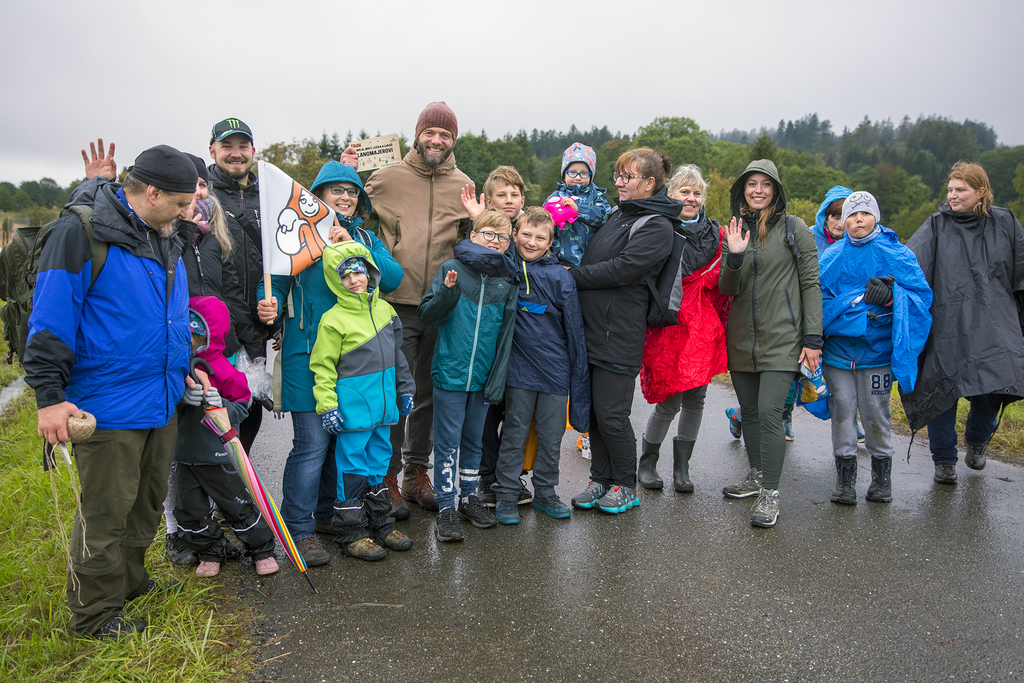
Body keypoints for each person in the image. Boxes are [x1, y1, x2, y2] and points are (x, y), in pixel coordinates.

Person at [24, 145, 198, 639]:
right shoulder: (78, 234)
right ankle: (94, 615)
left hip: (160, 399)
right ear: (151, 191)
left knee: (144, 504)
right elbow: (51, 320)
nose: (189, 212)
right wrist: (48, 397)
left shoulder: (165, 232)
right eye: (181, 203)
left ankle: (129, 581)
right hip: (104, 406)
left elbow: (166, 313)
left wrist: (184, 364)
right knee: (105, 513)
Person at [257, 160, 403, 566]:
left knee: (347, 444)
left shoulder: (363, 237)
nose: (344, 197)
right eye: (335, 190)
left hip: (358, 361)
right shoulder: (299, 235)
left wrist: (351, 244)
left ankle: (329, 518)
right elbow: (275, 279)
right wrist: (265, 302)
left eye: (352, 191)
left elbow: (391, 277)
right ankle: (298, 529)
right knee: (312, 444)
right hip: (309, 354)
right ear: (317, 196)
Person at [348, 102, 473, 515]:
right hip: (394, 304)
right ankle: (385, 475)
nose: (437, 141)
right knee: (395, 394)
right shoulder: (384, 179)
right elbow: (342, 209)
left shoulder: (464, 185)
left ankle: (416, 472)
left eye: (445, 135)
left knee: (430, 394)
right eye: (430, 133)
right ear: (418, 134)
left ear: (453, 140)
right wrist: (347, 169)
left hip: (443, 306)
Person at [569, 148, 678, 515]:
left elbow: (622, 269)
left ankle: (625, 485)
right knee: (595, 413)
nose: (618, 182)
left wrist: (573, 277)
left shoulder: (657, 226)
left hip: (620, 332)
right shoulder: (618, 214)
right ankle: (600, 478)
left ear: (649, 182)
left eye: (626, 177)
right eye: (617, 175)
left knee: (612, 412)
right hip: (593, 328)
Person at [901, 161, 1024, 484]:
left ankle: (978, 439)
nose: (952, 196)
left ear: (980, 192)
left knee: (996, 384)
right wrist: (885, 283)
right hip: (947, 322)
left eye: (961, 190)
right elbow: (909, 264)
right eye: (950, 190)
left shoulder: (1006, 222)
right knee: (942, 389)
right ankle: (944, 460)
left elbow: (1020, 275)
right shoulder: (937, 225)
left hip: (995, 322)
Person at [719, 159, 822, 528]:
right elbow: (727, 288)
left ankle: (770, 494)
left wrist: (813, 338)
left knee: (768, 413)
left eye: (766, 184)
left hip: (784, 339)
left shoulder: (796, 229)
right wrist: (733, 255)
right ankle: (756, 475)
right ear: (743, 190)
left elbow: (811, 283)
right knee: (748, 414)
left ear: (776, 190)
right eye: (751, 184)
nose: (758, 190)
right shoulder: (735, 229)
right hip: (742, 338)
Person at [819, 191, 932, 504]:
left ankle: (882, 482)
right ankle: (844, 483)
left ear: (875, 217)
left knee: (876, 416)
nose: (858, 220)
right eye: (852, 215)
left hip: (877, 356)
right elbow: (817, 300)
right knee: (841, 414)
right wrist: (855, 307)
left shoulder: (897, 254)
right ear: (844, 221)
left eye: (865, 214)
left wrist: (894, 296)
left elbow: (921, 298)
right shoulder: (831, 256)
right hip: (838, 356)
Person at [417, 209, 518, 542]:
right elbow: (427, 314)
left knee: (474, 440)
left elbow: (505, 337)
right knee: (447, 442)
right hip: (450, 373)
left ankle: (468, 497)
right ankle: (446, 505)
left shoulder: (507, 281)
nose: (494, 241)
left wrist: (497, 377)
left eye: (502, 237)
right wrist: (447, 293)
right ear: (473, 235)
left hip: (484, 377)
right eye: (488, 234)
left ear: (508, 243)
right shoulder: (452, 269)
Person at [311, 242, 415, 561]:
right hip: (353, 414)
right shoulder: (333, 319)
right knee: (352, 470)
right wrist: (327, 405)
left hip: (383, 412)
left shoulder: (385, 311)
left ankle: (380, 524)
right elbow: (322, 366)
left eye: (360, 271)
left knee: (379, 467)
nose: (355, 279)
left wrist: (406, 389)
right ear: (335, 280)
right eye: (346, 275)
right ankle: (351, 533)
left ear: (371, 273)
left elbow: (398, 355)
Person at [492, 207, 590, 524]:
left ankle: (546, 492)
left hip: (555, 370)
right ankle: (506, 493)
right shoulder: (505, 269)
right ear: (515, 234)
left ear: (550, 242)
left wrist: (577, 375)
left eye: (540, 237)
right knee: (514, 434)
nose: (532, 242)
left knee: (551, 437)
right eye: (526, 235)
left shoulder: (562, 276)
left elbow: (574, 328)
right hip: (519, 370)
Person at [638, 164, 729, 493]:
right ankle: (647, 463)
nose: (691, 198)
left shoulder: (716, 236)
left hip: (701, 328)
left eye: (697, 193)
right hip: (669, 325)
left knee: (696, 399)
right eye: (684, 192)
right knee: (669, 401)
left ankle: (681, 468)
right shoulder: (658, 227)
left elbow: (723, 285)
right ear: (670, 193)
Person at [174, 296, 279, 577]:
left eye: (199, 334)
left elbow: (243, 404)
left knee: (236, 504)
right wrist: (181, 398)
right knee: (189, 511)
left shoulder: (222, 369)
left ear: (213, 332)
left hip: (217, 453)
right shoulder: (175, 367)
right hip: (183, 454)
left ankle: (261, 549)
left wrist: (220, 404)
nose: (193, 339)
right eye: (189, 332)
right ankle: (210, 551)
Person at [459, 166, 532, 507]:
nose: (508, 201)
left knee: (516, 411)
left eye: (514, 194)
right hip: (488, 334)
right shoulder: (479, 232)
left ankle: (510, 475)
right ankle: (486, 477)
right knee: (487, 409)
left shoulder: (532, 228)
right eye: (500, 195)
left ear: (523, 198)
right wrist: (480, 221)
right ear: (488, 200)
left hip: (526, 336)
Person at [208, 118, 267, 453]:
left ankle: (237, 491)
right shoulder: (203, 194)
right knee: (216, 412)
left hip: (259, 326)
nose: (235, 153)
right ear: (212, 149)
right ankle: (210, 497)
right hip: (218, 329)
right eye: (227, 146)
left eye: (242, 146)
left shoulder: (268, 197)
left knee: (251, 406)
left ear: (253, 151)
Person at [544, 142, 612, 266]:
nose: (578, 177)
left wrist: (578, 210)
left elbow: (604, 216)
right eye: (572, 172)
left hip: (591, 261)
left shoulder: (596, 196)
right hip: (561, 262)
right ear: (564, 175)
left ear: (591, 176)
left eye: (584, 173)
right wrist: (556, 251)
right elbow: (544, 226)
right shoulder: (555, 198)